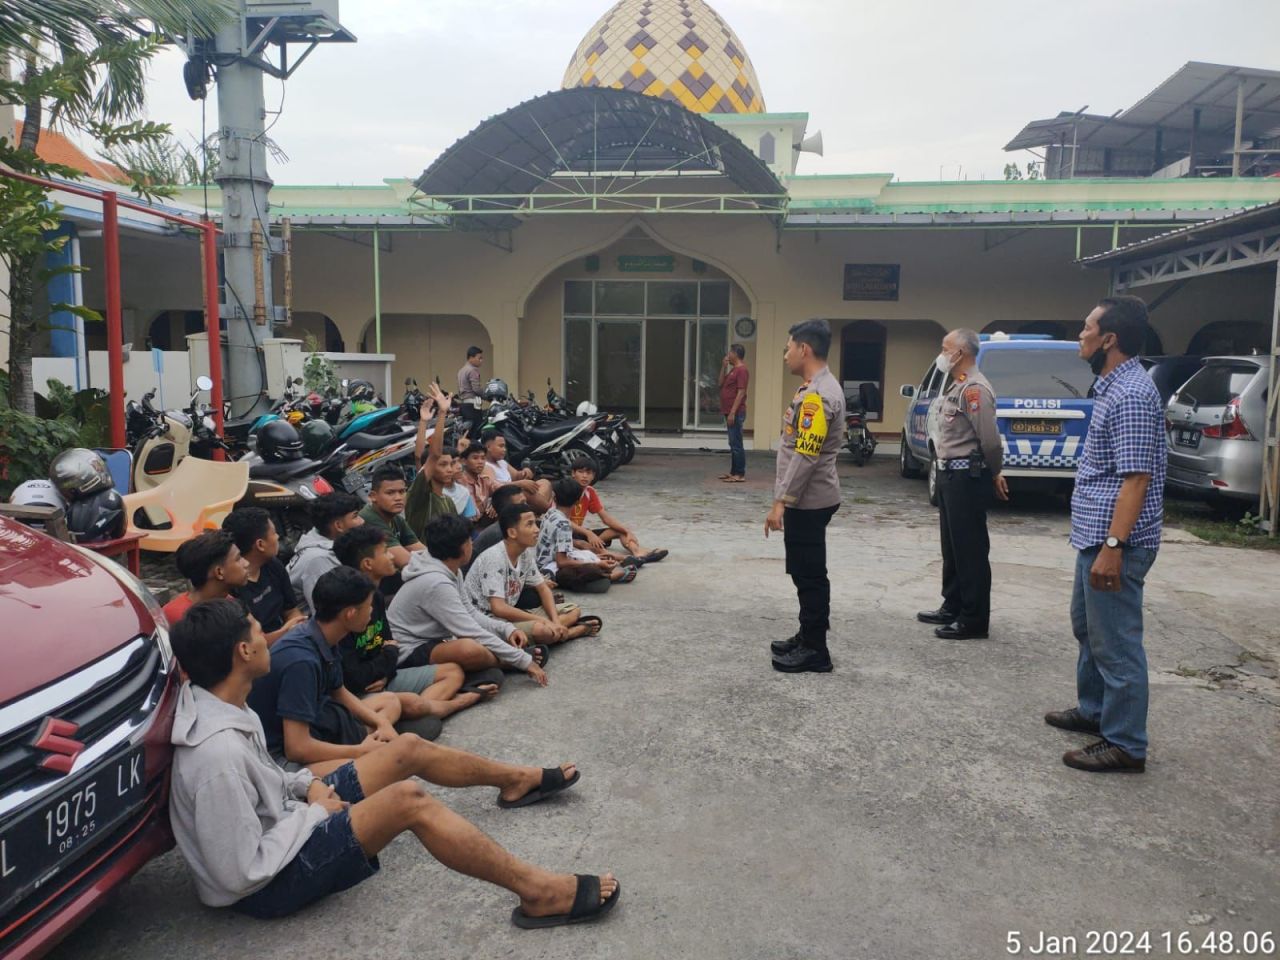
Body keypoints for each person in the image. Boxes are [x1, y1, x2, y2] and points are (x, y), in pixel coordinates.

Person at [167, 599, 619, 927]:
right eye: (256, 631)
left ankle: (517, 780)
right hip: (267, 886)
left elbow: (269, 778)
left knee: (406, 748)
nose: (267, 638)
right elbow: (238, 873)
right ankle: (538, 892)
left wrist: (306, 788)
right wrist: (313, 814)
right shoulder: (215, 754)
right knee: (408, 801)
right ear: (243, 653)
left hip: (289, 824)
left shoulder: (227, 703)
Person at [1045, 296, 1165, 774]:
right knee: (1088, 628)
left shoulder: (1132, 394)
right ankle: (1095, 711)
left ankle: (1125, 743)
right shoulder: (1112, 387)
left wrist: (1113, 549)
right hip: (1095, 536)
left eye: (1086, 327)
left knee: (1117, 644)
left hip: (1116, 542)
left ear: (1108, 339)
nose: (1081, 334)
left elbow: (1136, 480)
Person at [248, 568, 406, 767]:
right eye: (368, 606)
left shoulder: (323, 634)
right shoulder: (300, 661)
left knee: (391, 702)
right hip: (281, 758)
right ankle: (366, 747)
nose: (372, 611)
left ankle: (369, 741)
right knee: (382, 767)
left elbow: (338, 691)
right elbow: (297, 748)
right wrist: (360, 751)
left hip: (320, 721)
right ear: (350, 614)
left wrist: (381, 723)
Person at [334, 525, 494, 721]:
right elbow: (355, 675)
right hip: (361, 690)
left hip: (383, 675)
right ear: (368, 563)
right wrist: (387, 659)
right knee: (410, 701)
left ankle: (423, 712)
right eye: (385, 552)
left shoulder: (375, 596)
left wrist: (385, 670)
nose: (392, 556)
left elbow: (391, 645)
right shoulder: (344, 608)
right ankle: (458, 701)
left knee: (453, 671)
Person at [916, 328, 1009, 641]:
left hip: (967, 477)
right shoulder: (957, 386)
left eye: (946, 348)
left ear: (962, 353)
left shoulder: (975, 390)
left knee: (970, 549)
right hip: (948, 474)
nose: (942, 354)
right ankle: (952, 604)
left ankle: (973, 618)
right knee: (952, 547)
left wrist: (995, 472)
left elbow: (990, 441)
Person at [765, 319, 846, 674]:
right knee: (803, 571)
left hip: (808, 500)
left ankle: (816, 650)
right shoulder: (813, 387)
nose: (785, 354)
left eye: (788, 347)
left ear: (804, 349)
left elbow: (806, 454)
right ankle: (806, 634)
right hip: (808, 497)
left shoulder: (818, 395)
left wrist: (782, 500)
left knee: (810, 574)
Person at [388, 514, 550, 686]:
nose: (472, 545)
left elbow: (470, 612)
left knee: (481, 647)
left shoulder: (451, 569)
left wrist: (506, 629)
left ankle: (489, 668)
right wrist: (523, 661)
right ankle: (507, 663)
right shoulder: (435, 582)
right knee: (469, 648)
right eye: (469, 541)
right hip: (409, 650)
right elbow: (470, 630)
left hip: (435, 642)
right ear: (462, 548)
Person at [466, 503, 601, 646]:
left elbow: (543, 588)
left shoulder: (523, 553)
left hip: (512, 615)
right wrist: (542, 621)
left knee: (574, 611)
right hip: (489, 621)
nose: (537, 530)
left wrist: (554, 621)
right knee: (541, 630)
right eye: (529, 525)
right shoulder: (494, 558)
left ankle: (557, 630)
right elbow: (498, 608)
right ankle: (571, 632)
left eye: (536, 524)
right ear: (512, 533)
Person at [223, 508, 306, 643]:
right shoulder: (232, 587)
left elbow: (291, 610)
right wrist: (285, 633)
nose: (278, 537)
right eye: (274, 533)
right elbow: (248, 644)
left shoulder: (273, 565)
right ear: (260, 544)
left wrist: (296, 625)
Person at [568, 456, 668, 565]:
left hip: (580, 533)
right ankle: (620, 559)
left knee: (619, 530)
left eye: (588, 473)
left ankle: (638, 553)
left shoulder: (589, 492)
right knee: (585, 545)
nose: (584, 476)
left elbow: (605, 518)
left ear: (593, 476)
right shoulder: (564, 489)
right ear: (573, 473)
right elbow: (562, 520)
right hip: (565, 536)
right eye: (580, 472)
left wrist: (627, 531)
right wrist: (588, 533)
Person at [536, 477, 631, 591]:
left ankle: (601, 573)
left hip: (545, 561)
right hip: (550, 568)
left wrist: (593, 558)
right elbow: (562, 562)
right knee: (589, 569)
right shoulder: (564, 525)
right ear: (578, 501)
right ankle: (607, 576)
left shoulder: (550, 513)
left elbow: (562, 553)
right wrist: (597, 564)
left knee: (587, 554)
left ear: (554, 497)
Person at [287, 492, 364, 615]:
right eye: (355, 516)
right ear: (338, 525)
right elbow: (325, 613)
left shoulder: (323, 539)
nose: (362, 521)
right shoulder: (318, 560)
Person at [406, 382, 459, 539]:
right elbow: (427, 455)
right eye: (443, 465)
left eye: (451, 464)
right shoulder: (421, 493)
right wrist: (442, 412)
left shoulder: (448, 501)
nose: (450, 469)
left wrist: (424, 420)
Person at [164, 529, 250, 624]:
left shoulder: (230, 602)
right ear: (219, 572)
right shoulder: (178, 616)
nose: (246, 563)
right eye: (238, 559)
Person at [359, 465, 424, 570]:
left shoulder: (396, 518)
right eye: (390, 493)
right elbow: (407, 563)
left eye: (402, 491)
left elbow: (421, 551)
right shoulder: (369, 519)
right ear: (373, 496)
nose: (398, 498)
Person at [717, 343, 749, 482]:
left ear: (736, 354)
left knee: (736, 443)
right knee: (732, 442)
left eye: (730, 352)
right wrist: (723, 367)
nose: (728, 354)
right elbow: (719, 383)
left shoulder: (742, 370)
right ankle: (733, 471)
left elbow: (741, 392)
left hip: (735, 412)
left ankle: (740, 474)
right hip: (728, 411)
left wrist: (732, 412)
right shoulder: (732, 370)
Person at [458, 443, 499, 522]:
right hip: (466, 524)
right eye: (475, 458)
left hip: (483, 522)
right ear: (464, 461)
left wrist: (496, 504)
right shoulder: (460, 481)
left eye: (483, 458)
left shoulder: (485, 480)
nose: (480, 462)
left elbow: (503, 490)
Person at [456, 345, 485, 437]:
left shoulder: (461, 370)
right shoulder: (473, 370)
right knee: (476, 433)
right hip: (473, 407)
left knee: (467, 434)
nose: (481, 360)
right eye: (479, 358)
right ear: (471, 357)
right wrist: (488, 397)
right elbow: (476, 389)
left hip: (464, 406)